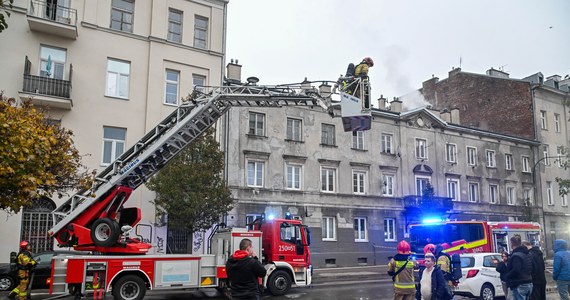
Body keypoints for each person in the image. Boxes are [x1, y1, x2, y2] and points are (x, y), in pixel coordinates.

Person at [503, 235, 533, 300]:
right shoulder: (527, 254)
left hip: (519, 283)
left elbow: (516, 270)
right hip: (528, 282)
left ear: (512, 243)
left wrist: (507, 276)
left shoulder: (516, 256)